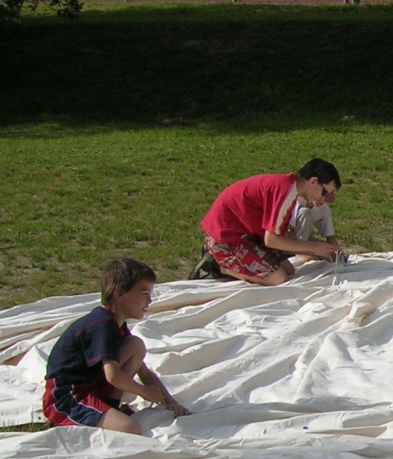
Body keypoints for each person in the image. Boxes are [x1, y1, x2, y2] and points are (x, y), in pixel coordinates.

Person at [42, 258, 189, 434]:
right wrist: (144, 392)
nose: (150, 301)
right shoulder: (101, 325)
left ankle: (110, 408)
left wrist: (171, 402)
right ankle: (68, 421)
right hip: (69, 397)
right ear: (120, 294)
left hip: (92, 387)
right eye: (144, 294)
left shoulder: (115, 324)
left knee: (136, 345)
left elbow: (143, 371)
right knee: (131, 429)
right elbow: (113, 376)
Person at [197, 159, 343, 285]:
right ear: (313, 182)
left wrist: (313, 249)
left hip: (248, 234)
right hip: (226, 238)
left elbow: (279, 236)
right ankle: (219, 267)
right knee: (278, 279)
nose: (324, 199)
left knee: (289, 270)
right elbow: (271, 240)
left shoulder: (290, 188)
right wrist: (313, 248)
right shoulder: (286, 192)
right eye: (324, 192)